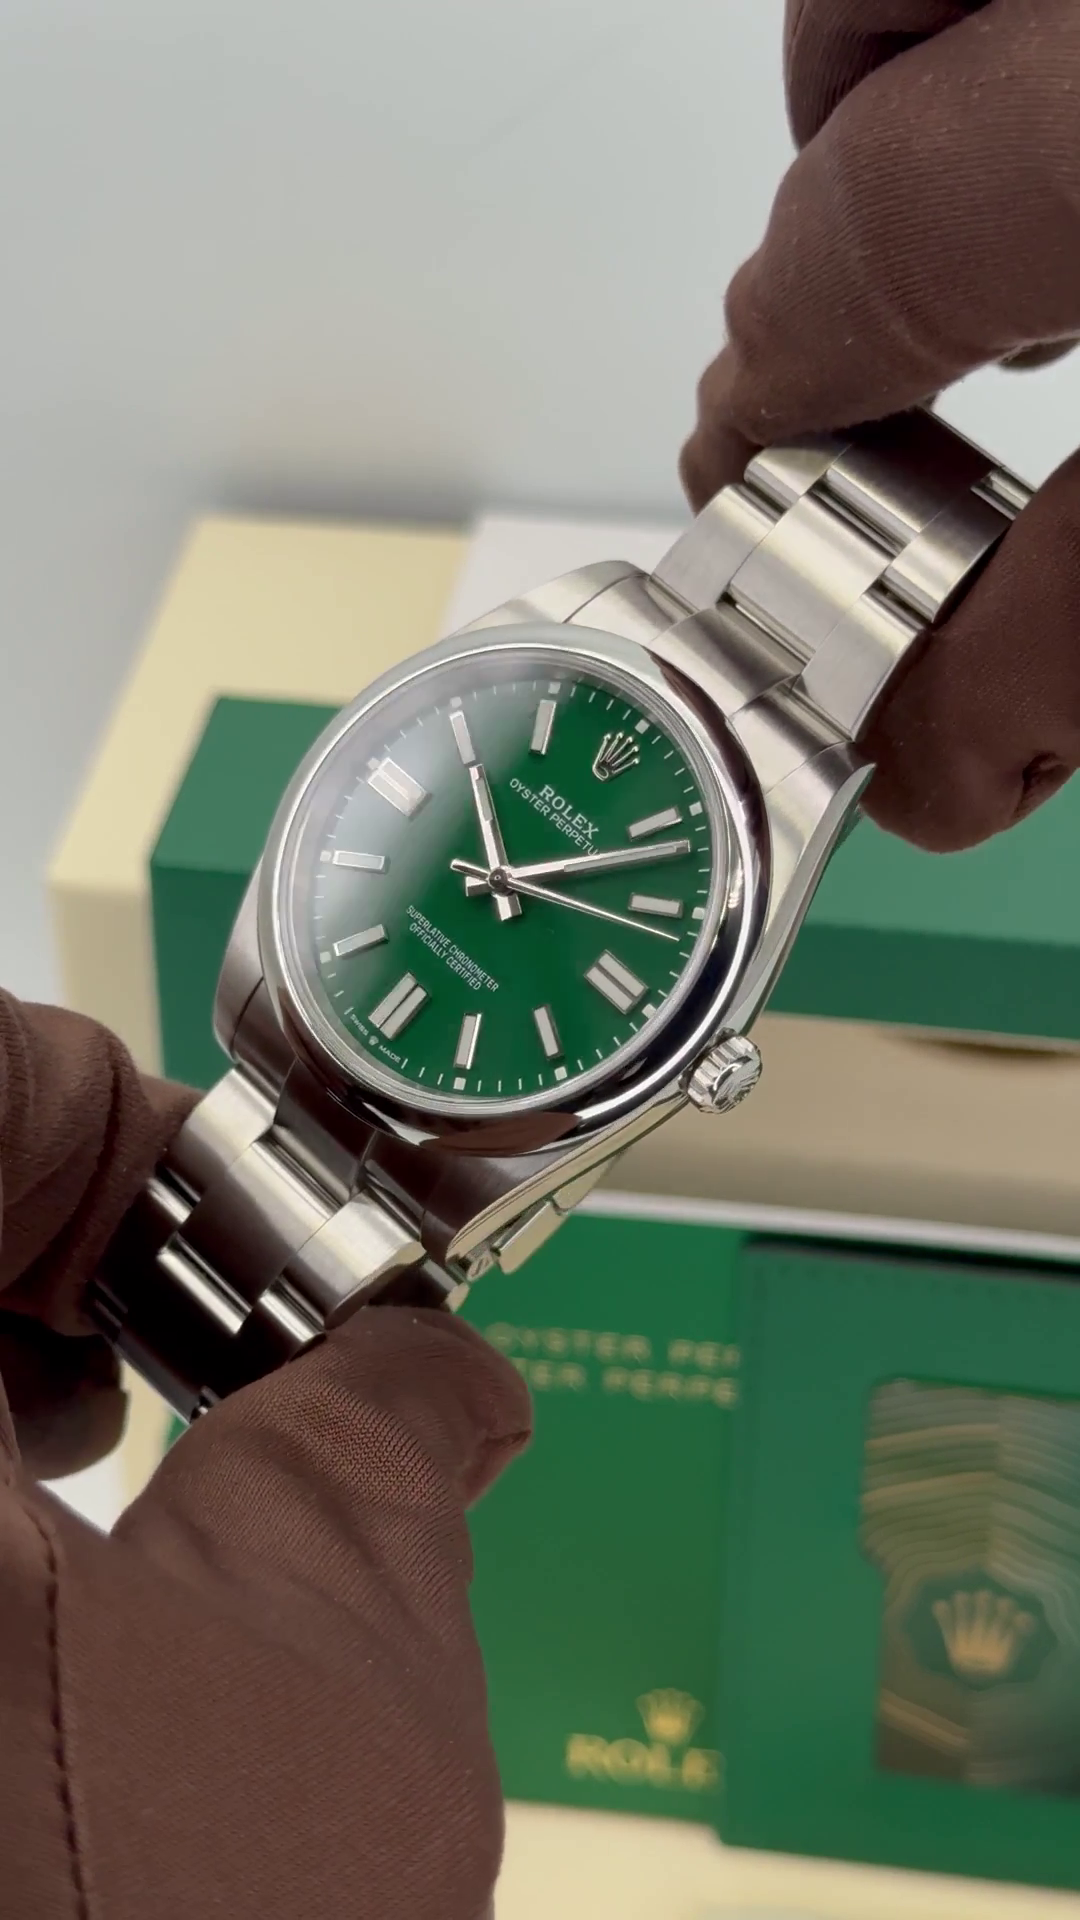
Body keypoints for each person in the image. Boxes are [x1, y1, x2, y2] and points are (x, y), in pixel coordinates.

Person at [2, 3, 1079, 1914]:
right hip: (324, 1051)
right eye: (489, 856)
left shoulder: (787, 782)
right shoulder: (587, 645)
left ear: (701, 1042)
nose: (492, 874)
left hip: (393, 1094)